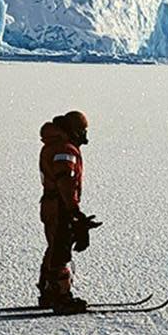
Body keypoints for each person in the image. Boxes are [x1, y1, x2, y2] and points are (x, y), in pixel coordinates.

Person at [37, 110, 100, 314]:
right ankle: (60, 296)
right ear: (73, 130)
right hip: (59, 206)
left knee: (54, 246)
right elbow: (66, 182)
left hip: (50, 205)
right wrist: (74, 211)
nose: (84, 136)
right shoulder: (65, 149)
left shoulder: (54, 145)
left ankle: (48, 291)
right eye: (82, 131)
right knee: (61, 251)